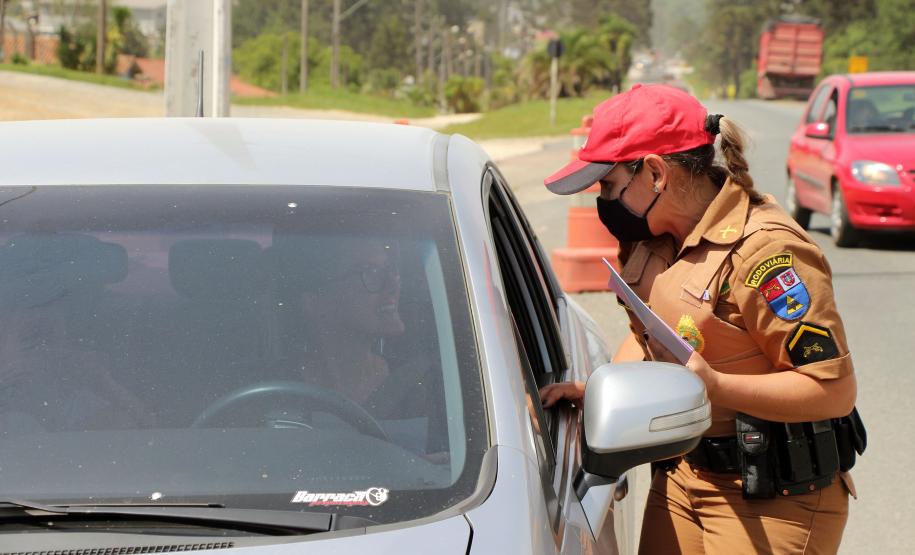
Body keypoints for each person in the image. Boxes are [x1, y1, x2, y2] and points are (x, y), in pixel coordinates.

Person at [539, 84, 859, 554]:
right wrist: (606, 390)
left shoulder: (765, 251)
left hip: (772, 496)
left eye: (608, 185)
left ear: (655, 173)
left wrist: (716, 386)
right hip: (683, 473)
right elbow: (650, 336)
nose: (603, 201)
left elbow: (832, 391)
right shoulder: (652, 236)